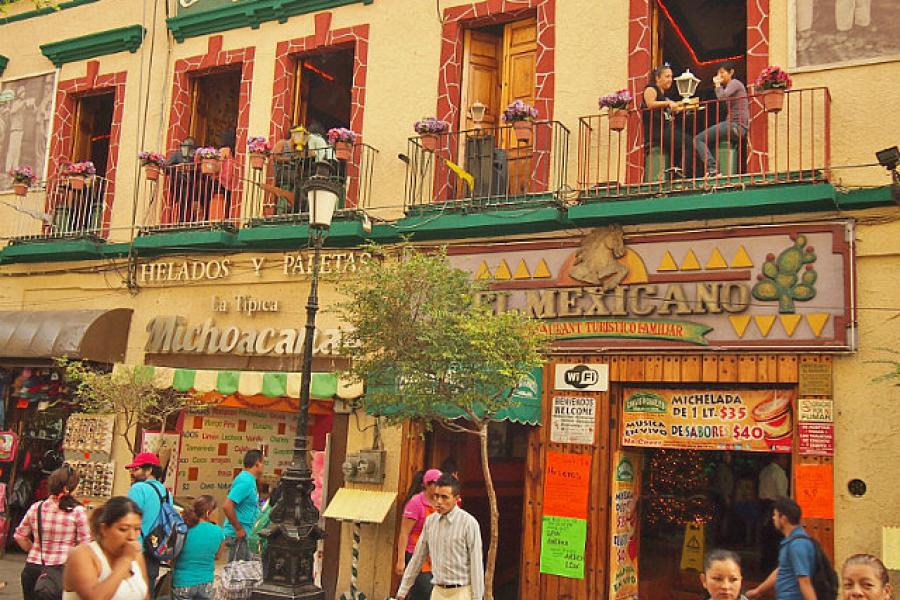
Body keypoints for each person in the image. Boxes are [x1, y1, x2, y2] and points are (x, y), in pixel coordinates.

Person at [396, 474, 484, 600]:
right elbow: (417, 558)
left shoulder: (469, 523)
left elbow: (476, 564)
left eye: (444, 497)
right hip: (437, 591)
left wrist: (477, 597)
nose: (439, 502)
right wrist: (402, 591)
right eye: (436, 496)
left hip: (461, 592)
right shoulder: (430, 522)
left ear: (456, 498)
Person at [14, 465, 91, 598]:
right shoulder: (77, 511)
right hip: (61, 570)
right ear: (67, 489)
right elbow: (84, 545)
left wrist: (35, 549)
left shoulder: (37, 507)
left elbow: (20, 536)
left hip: (33, 568)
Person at [62, 496, 148, 600]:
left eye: (137, 529)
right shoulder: (82, 554)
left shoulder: (136, 556)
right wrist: (125, 560)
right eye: (123, 529)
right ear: (104, 529)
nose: (132, 537)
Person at [747, 497, 817, 600]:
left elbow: (805, 582)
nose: (773, 518)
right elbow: (781, 570)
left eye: (775, 515)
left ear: (783, 519)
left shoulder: (798, 545)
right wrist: (758, 591)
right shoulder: (790, 542)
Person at [126, 451, 171, 596]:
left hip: (136, 549)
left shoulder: (138, 489)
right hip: (155, 549)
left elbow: (128, 519)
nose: (132, 473)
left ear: (149, 470)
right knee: (148, 590)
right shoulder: (166, 493)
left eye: (136, 469)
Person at [694, 61, 749, 178]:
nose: (719, 75)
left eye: (722, 72)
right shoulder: (734, 85)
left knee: (698, 139)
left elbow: (721, 97)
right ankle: (714, 167)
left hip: (735, 125)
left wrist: (717, 85)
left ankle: (712, 168)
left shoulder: (734, 83)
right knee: (710, 137)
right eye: (718, 73)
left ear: (731, 72)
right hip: (737, 127)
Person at [395, 468, 441, 600]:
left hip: (433, 555)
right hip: (415, 553)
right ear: (427, 485)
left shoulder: (440, 503)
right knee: (429, 590)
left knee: (419, 594)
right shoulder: (415, 503)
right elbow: (404, 532)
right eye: (436, 484)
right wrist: (401, 560)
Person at [640, 64, 692, 178]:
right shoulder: (651, 89)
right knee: (688, 143)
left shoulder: (664, 96)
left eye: (671, 77)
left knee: (683, 140)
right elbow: (650, 103)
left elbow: (673, 109)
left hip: (664, 129)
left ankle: (676, 170)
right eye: (667, 76)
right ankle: (680, 173)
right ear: (658, 78)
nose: (670, 80)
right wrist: (668, 103)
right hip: (657, 131)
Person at [172, 495, 224, 600]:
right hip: (205, 582)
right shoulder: (218, 531)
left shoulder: (183, 529)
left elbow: (172, 554)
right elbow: (218, 556)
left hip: (182, 581)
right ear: (208, 512)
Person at [222, 449, 264, 561]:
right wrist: (238, 528)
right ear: (257, 463)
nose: (263, 466)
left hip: (246, 534)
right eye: (262, 462)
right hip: (239, 536)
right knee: (238, 574)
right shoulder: (246, 481)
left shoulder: (250, 481)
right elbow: (227, 506)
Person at [759, 454, 790, 572]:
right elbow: (782, 494)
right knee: (775, 538)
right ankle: (773, 566)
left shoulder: (764, 471)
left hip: (763, 506)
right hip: (775, 506)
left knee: (765, 537)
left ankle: (764, 565)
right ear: (778, 458)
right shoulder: (779, 473)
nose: (786, 461)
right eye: (784, 458)